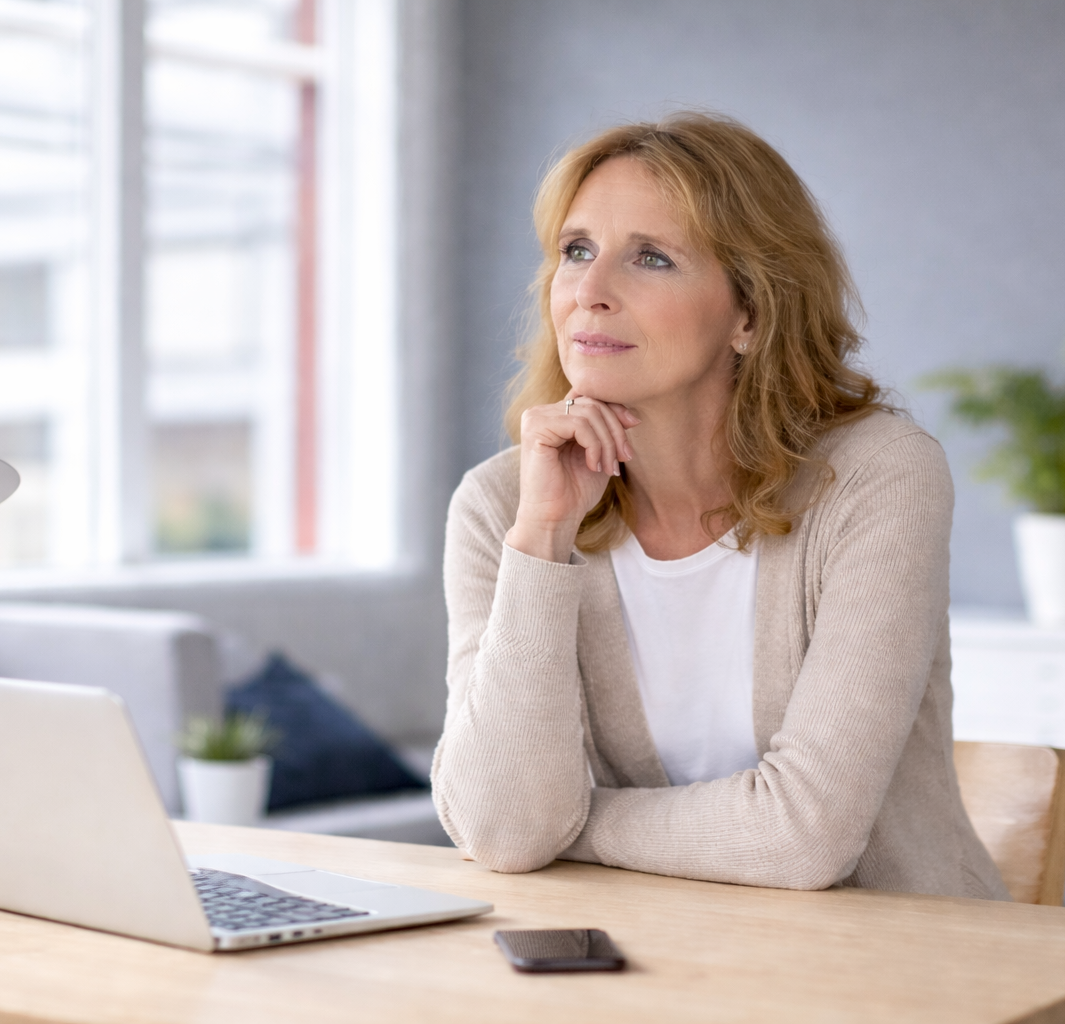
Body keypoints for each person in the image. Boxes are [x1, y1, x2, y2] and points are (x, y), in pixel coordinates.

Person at [431, 112, 1008, 900]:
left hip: (893, 975)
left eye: (651, 258)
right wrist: (543, 539)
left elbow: (804, 840)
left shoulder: (877, 478)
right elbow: (502, 832)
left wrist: (572, 829)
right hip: (642, 969)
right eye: (576, 252)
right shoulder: (503, 506)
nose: (589, 294)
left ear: (751, 313)